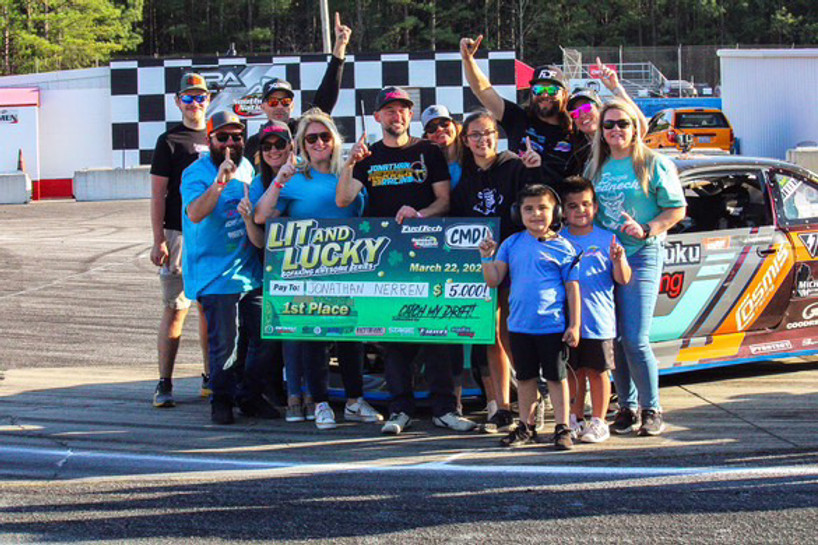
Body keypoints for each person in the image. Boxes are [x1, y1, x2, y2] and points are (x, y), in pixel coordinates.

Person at [337, 86, 476, 435]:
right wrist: (351, 161)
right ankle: (400, 409)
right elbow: (343, 200)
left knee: (439, 333)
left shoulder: (428, 150)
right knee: (394, 335)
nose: (396, 115)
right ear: (378, 117)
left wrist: (419, 214)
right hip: (386, 257)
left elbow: (443, 202)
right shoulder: (368, 155)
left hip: (430, 252)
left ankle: (446, 408)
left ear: (410, 115)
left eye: (402, 110)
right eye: (390, 110)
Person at [253, 109, 382, 429]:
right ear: (302, 145)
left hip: (352, 267)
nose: (319, 142)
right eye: (311, 138)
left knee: (353, 335)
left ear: (334, 140)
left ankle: (354, 400)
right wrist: (279, 181)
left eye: (325, 136)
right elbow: (261, 217)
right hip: (308, 271)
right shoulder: (295, 181)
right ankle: (321, 402)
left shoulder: (350, 172)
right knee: (314, 336)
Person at [585, 99, 686, 436]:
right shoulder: (595, 168)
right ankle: (626, 406)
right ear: (601, 131)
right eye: (609, 124)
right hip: (604, 258)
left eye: (622, 124)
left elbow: (676, 209)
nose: (616, 130)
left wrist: (647, 229)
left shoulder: (652, 163)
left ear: (635, 128)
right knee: (613, 338)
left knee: (635, 338)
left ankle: (651, 407)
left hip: (641, 254)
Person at [449, 110, 543, 434]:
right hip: (484, 267)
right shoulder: (464, 179)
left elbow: (536, 207)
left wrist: (535, 171)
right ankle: (501, 408)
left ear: (496, 134)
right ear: (465, 140)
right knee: (490, 336)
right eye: (475, 135)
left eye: (488, 132)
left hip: (517, 261)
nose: (482, 140)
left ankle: (533, 402)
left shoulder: (514, 166)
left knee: (510, 334)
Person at [180, 111, 277, 425]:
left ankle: (249, 397)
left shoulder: (249, 167)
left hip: (249, 271)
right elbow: (195, 213)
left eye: (236, 136)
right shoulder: (196, 172)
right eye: (223, 137)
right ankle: (221, 401)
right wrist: (220, 183)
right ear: (210, 140)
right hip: (214, 275)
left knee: (267, 336)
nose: (231, 143)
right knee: (227, 345)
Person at [478, 184, 580, 450]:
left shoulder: (564, 248)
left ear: (555, 212)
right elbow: (493, 280)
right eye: (529, 209)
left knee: (557, 378)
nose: (536, 214)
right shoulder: (511, 244)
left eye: (543, 208)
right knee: (525, 378)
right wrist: (486, 258)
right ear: (518, 213)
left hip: (552, 326)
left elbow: (572, 289)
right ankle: (526, 426)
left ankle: (562, 427)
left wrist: (575, 324)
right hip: (520, 326)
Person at [149, 72, 211, 408]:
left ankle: (209, 376)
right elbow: (158, 194)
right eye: (188, 98)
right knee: (175, 309)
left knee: (209, 309)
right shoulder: (169, 140)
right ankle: (164, 381)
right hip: (178, 233)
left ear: (209, 100)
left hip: (212, 235)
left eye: (200, 97)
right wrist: (158, 238)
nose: (194, 103)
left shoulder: (220, 135)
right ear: (178, 102)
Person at [560, 176, 631, 443]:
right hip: (567, 322)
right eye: (573, 206)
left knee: (598, 371)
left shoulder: (608, 238)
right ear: (563, 211)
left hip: (599, 320)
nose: (580, 211)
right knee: (572, 371)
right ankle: (575, 417)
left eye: (586, 204)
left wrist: (619, 260)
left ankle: (600, 421)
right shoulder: (557, 240)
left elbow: (623, 279)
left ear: (596, 207)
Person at [460, 35, 581, 185]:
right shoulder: (518, 119)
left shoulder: (575, 130)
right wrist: (468, 60)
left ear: (564, 94)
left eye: (551, 90)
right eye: (538, 89)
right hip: (519, 203)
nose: (544, 95)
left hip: (558, 204)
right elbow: (483, 91)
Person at [244, 12, 352, 162]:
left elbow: (324, 100)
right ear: (263, 107)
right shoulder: (254, 142)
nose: (279, 106)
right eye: (273, 102)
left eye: (285, 102)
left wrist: (340, 47)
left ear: (292, 106)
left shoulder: (303, 129)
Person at [569, 58, 648, 168]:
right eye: (575, 113)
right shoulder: (576, 146)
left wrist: (616, 88)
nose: (582, 115)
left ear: (599, 109)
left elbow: (641, 126)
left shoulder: (614, 134)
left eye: (587, 108)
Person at [421, 105, 463, 189]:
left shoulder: (472, 154)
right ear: (426, 136)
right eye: (431, 128)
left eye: (444, 123)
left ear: (455, 126)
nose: (439, 129)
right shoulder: (425, 166)